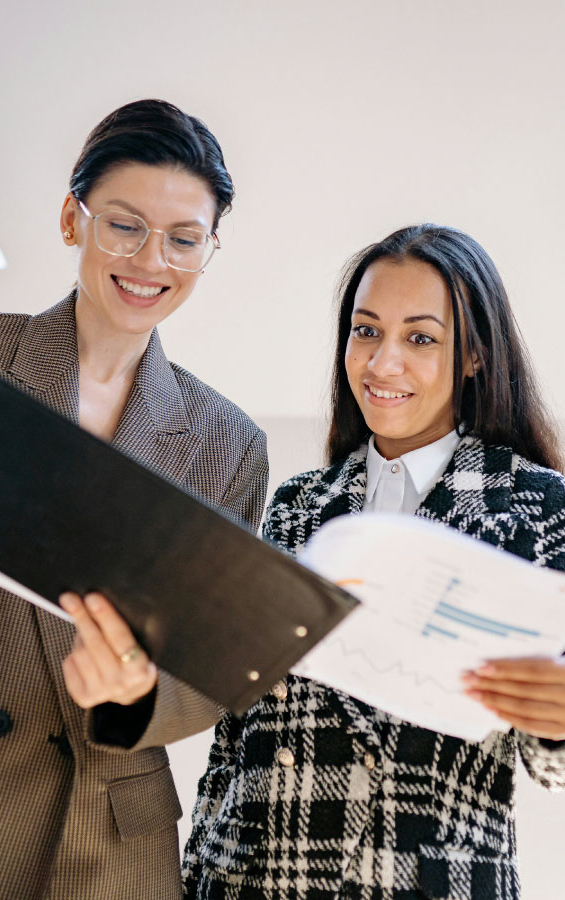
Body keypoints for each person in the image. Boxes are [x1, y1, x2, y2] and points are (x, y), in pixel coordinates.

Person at [182, 224, 565, 900]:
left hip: (425, 884)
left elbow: (549, 756)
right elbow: (237, 730)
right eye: (366, 331)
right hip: (254, 878)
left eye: (421, 338)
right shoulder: (295, 506)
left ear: (474, 355)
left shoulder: (537, 506)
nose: (383, 363)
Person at [0, 99, 267, 900]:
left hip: (105, 841)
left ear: (209, 250)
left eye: (183, 238)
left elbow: (210, 665)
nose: (150, 261)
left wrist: (139, 692)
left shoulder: (226, 441)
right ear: (74, 218)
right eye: (124, 225)